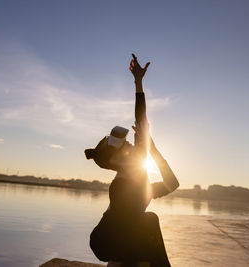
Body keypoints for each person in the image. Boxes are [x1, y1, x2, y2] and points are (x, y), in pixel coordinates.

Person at [85, 54, 179, 267]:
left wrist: (138, 82)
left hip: (125, 240)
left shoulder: (138, 173)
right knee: (148, 222)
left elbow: (141, 120)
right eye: (122, 147)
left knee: (147, 223)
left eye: (127, 143)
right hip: (108, 239)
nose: (129, 145)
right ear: (117, 161)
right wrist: (150, 148)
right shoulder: (124, 185)